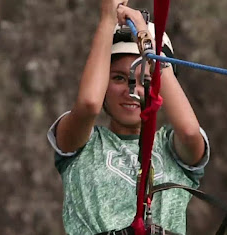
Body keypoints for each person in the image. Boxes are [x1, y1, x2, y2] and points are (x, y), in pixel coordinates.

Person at [47, 1, 209, 234]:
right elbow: (89, 104)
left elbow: (190, 132)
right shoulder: (82, 146)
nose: (132, 90)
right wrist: (107, 20)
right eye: (119, 79)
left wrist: (148, 44)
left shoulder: (172, 149)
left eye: (145, 80)